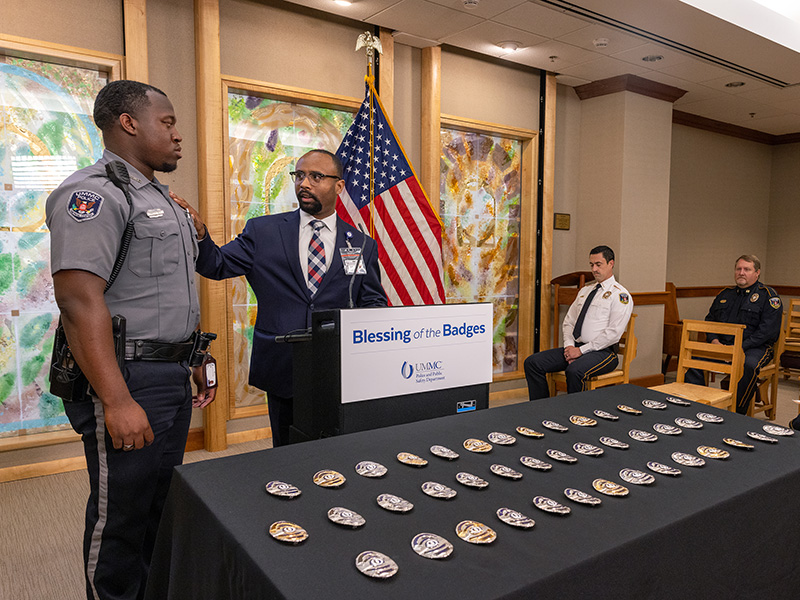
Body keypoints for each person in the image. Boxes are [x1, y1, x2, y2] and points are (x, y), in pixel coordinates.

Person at [45, 80, 216, 600]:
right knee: (120, 514)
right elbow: (78, 302)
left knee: (161, 504)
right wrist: (117, 399)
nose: (177, 134)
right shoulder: (93, 194)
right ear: (128, 123)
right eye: (166, 122)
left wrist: (191, 358)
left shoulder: (162, 199)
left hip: (166, 376)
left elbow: (160, 293)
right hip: (123, 379)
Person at [173, 149, 387, 446]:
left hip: (337, 368)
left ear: (338, 186)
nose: (305, 184)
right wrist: (200, 234)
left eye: (316, 176)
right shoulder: (264, 231)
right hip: (281, 363)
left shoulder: (361, 243)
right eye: (299, 175)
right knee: (286, 453)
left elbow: (373, 303)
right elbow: (216, 265)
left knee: (336, 449)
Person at [524, 245, 633, 400]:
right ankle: (541, 408)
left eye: (598, 264)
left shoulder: (620, 295)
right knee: (533, 363)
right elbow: (569, 322)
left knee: (575, 371)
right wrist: (569, 345)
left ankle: (576, 415)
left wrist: (581, 352)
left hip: (604, 352)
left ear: (611, 264)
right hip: (576, 346)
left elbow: (613, 334)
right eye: (591, 265)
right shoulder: (585, 291)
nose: (594, 269)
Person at [685, 255, 781, 414]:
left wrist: (738, 348)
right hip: (722, 345)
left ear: (757, 273)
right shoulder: (725, 294)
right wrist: (714, 340)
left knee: (748, 366)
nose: (741, 273)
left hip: (754, 347)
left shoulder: (769, 296)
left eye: (747, 269)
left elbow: (766, 332)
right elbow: (710, 320)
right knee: (693, 358)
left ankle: (736, 412)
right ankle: (697, 405)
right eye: (738, 269)